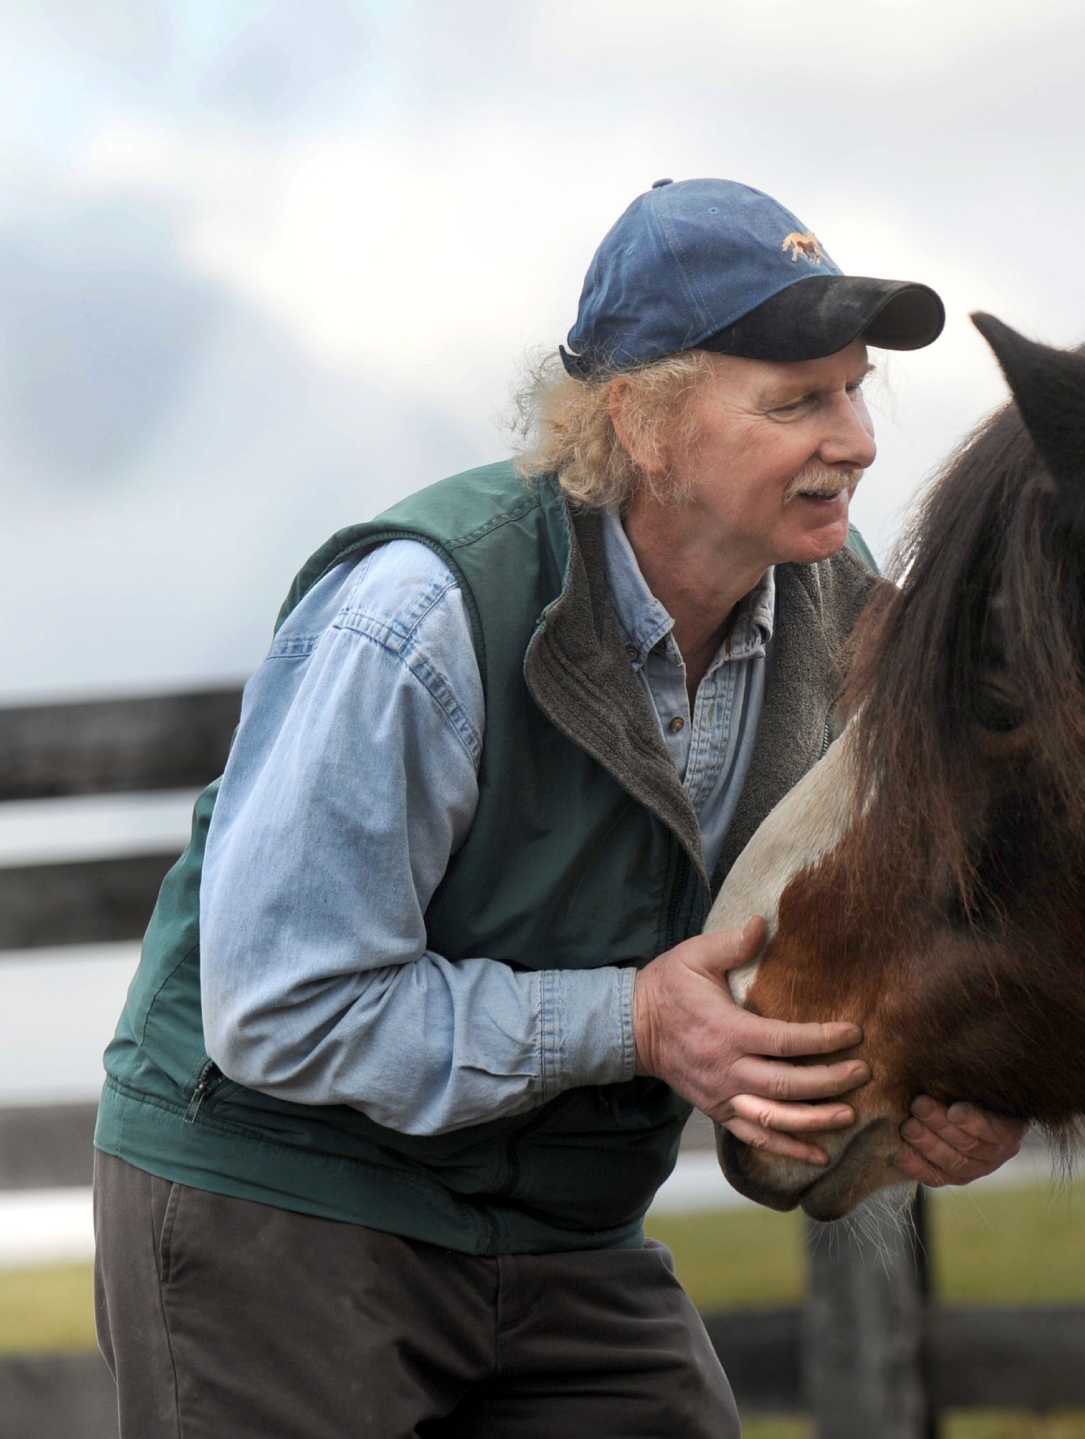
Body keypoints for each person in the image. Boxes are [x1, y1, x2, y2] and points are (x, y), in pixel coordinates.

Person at [91, 177, 1026, 1437]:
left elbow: (880, 913)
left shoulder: (845, 611)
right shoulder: (418, 616)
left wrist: (945, 1091)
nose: (856, 439)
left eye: (855, 390)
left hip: (565, 1230)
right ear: (643, 421)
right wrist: (636, 1020)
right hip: (283, 1207)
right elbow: (281, 1005)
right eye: (797, 400)